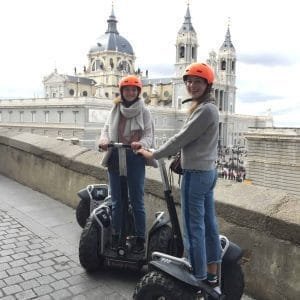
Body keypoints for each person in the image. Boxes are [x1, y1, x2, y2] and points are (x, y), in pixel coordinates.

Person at [137, 63, 221, 284]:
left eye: (198, 82)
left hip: (196, 175)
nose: (192, 85)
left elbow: (180, 139)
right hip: (207, 172)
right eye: (189, 81)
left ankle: (197, 275)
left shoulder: (204, 110)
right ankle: (212, 273)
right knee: (209, 224)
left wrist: (153, 154)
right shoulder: (208, 107)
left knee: (194, 226)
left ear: (207, 85)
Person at [98, 75, 156, 254]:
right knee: (116, 200)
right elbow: (106, 129)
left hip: (134, 158)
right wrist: (104, 140)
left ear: (138, 92)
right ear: (121, 92)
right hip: (115, 155)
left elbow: (149, 135)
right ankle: (117, 235)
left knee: (137, 200)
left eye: (133, 90)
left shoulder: (144, 111)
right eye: (127, 89)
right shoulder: (115, 108)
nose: (130, 92)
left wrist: (141, 144)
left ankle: (139, 238)